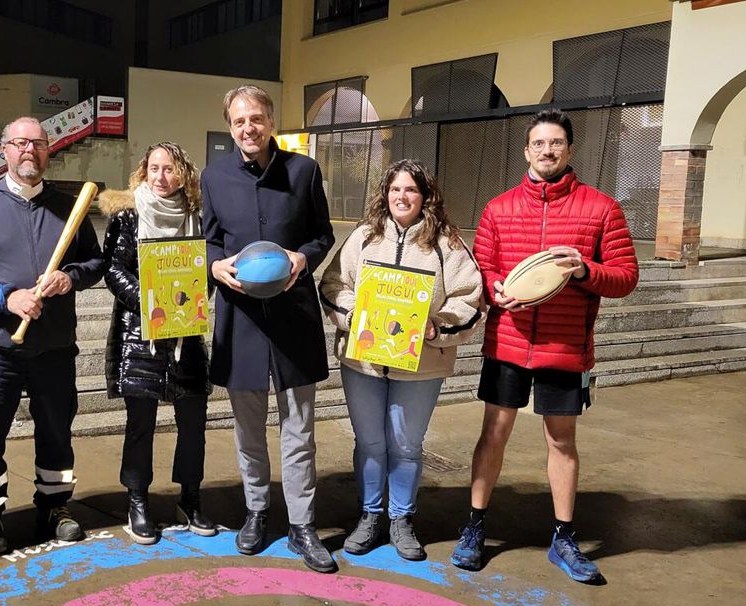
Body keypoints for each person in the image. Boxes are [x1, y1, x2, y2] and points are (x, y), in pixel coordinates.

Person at [452, 109, 638, 583]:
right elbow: (484, 270)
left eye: (556, 143)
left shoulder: (600, 208)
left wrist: (584, 271)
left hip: (565, 347)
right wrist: (495, 290)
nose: (548, 150)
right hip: (507, 343)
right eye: (539, 143)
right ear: (527, 150)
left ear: (570, 150)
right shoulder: (499, 208)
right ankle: (474, 527)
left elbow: (625, 277)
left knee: (562, 440)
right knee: (493, 434)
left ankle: (564, 537)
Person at [0, 116, 105, 556]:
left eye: (37, 143)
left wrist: (70, 278)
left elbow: (95, 262)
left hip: (54, 347)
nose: (29, 150)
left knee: (56, 429)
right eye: (20, 143)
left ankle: (55, 506)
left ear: (48, 150)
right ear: (4, 152)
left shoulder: (69, 208)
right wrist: (2, 297)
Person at [319, 160, 484, 561]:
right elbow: (333, 284)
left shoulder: (447, 244)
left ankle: (402, 519)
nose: (402, 197)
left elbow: (471, 298)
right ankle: (371, 515)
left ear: (425, 196)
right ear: (385, 194)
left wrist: (436, 327)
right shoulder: (363, 237)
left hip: (421, 366)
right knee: (371, 442)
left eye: (411, 190)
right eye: (395, 190)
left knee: (407, 445)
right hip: (364, 363)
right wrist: (354, 314)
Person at [202, 85, 337, 573]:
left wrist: (305, 256)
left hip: (294, 317)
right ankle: (257, 512)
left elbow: (323, 234)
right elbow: (210, 240)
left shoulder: (304, 171)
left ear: (271, 120)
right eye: (239, 122)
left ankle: (302, 525)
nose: (248, 129)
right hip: (240, 321)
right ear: (230, 125)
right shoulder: (214, 177)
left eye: (256, 119)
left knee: (299, 430)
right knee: (247, 429)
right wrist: (215, 268)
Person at [98, 142, 216, 544]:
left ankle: (191, 497)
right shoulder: (128, 214)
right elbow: (112, 269)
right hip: (140, 336)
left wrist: (198, 296)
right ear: (143, 172)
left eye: (169, 169)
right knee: (140, 426)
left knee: (193, 425)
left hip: (185, 334)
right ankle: (137, 501)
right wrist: (148, 302)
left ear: (183, 174)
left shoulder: (197, 216)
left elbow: (207, 271)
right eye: (154, 168)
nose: (161, 177)